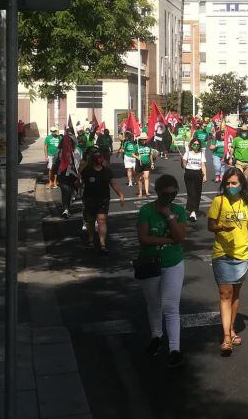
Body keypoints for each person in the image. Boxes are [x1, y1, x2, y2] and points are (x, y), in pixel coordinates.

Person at [136, 174, 188, 368]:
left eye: (174, 194)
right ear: (158, 192)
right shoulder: (146, 211)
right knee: (153, 303)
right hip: (150, 262)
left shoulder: (178, 211)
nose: (170, 198)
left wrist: (169, 216)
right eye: (166, 194)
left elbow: (180, 237)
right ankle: (156, 336)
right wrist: (167, 240)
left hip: (173, 262)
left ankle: (175, 349)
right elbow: (144, 238)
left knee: (171, 306)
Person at [207, 167, 248, 355]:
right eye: (227, 183)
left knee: (235, 293)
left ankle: (232, 328)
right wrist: (221, 227)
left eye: (234, 183)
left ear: (241, 184)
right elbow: (211, 225)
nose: (230, 186)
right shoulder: (218, 201)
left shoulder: (247, 201)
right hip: (222, 253)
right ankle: (226, 336)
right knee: (225, 293)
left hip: (242, 253)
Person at [80, 151, 126, 255]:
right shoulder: (87, 170)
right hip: (90, 199)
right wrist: (78, 179)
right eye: (97, 157)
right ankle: (91, 240)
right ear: (93, 159)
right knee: (91, 221)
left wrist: (120, 194)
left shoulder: (107, 171)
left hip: (103, 199)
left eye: (100, 157)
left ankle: (102, 244)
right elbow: (80, 184)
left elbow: (113, 183)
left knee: (102, 220)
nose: (99, 159)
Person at [181, 138, 207, 222]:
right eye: (194, 144)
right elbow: (183, 165)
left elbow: (203, 165)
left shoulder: (201, 154)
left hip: (198, 174)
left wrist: (205, 176)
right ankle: (192, 212)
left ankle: (194, 209)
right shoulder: (187, 153)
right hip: (189, 173)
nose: (196, 146)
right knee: (191, 192)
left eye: (198, 144)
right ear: (191, 145)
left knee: (197, 193)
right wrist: (182, 160)